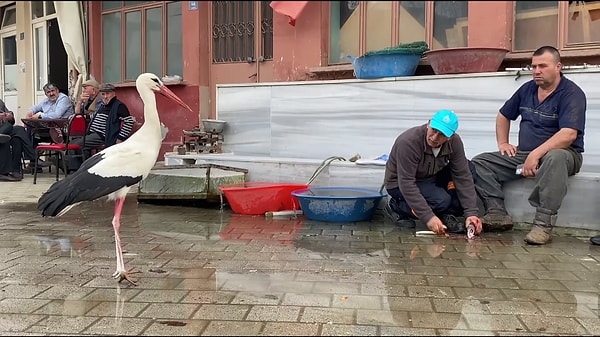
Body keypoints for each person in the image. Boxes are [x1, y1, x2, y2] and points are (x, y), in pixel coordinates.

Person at [471, 46, 586, 245]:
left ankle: (543, 225)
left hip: (565, 156)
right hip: (525, 154)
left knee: (555, 157)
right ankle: (497, 213)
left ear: (558, 66)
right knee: (480, 162)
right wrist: (503, 143)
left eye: (542, 66)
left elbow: (568, 135)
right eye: (533, 66)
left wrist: (536, 154)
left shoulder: (572, 94)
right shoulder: (527, 89)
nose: (536, 71)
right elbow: (503, 115)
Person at [383, 109, 483, 236]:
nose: (434, 137)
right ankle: (397, 207)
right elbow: (406, 183)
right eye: (434, 130)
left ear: (450, 136)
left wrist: (471, 213)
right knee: (441, 201)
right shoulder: (408, 142)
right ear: (428, 123)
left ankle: (441, 213)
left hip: (430, 176)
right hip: (399, 183)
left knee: (469, 170)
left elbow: (462, 175)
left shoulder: (455, 142)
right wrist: (428, 217)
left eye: (441, 134)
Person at [66, 83, 134, 171]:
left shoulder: (119, 106)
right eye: (103, 94)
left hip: (103, 135)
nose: (105, 96)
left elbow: (129, 121)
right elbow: (93, 116)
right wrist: (80, 114)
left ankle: (74, 170)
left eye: (108, 94)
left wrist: (120, 137)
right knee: (72, 142)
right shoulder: (102, 105)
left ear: (113, 93)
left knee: (75, 145)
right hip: (92, 134)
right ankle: (80, 167)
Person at [0, 102, 36, 181]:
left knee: (17, 138)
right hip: (4, 129)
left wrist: (9, 116)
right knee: (10, 128)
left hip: (4, 130)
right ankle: (33, 159)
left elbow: (11, 120)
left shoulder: (0, 102)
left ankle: (14, 170)